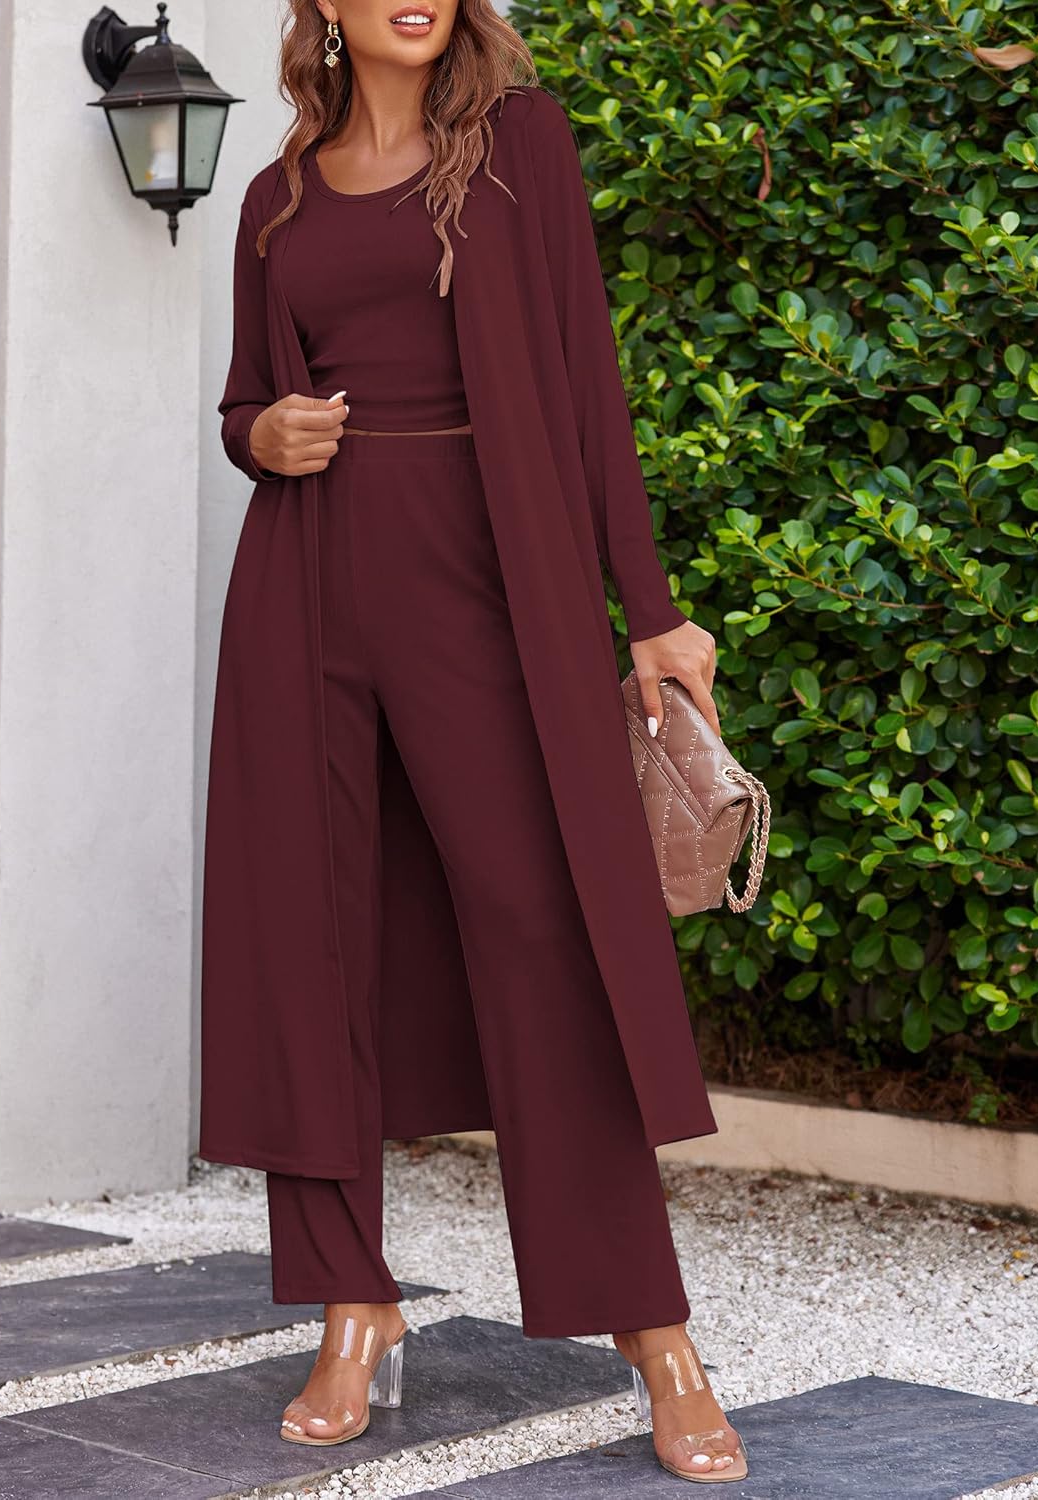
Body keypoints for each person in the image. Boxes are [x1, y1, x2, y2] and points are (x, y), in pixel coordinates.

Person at [201, 0, 748, 1483]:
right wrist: (260, 436)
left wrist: (649, 611)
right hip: (305, 582)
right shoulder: (275, 196)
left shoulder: (518, 146)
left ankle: (652, 1329)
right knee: (310, 943)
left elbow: (584, 384)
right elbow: (249, 398)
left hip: (482, 584)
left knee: (541, 935)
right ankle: (352, 1303)